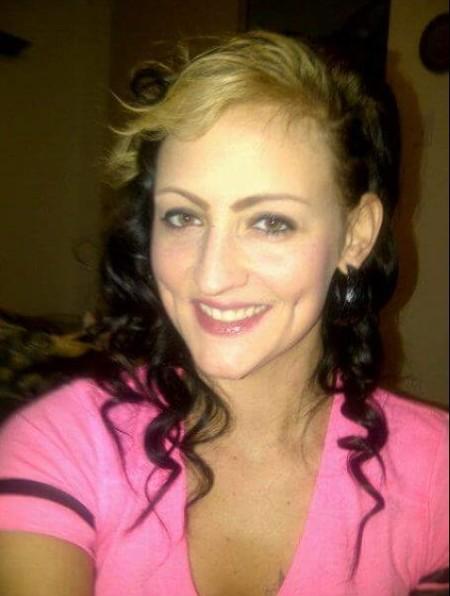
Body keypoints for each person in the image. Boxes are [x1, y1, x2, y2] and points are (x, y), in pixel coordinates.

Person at [0, 31, 448, 596]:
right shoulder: (62, 443)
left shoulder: (436, 473)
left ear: (356, 235)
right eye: (183, 217)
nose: (210, 277)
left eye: (270, 223)